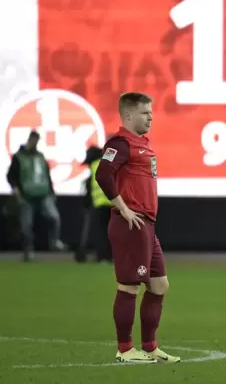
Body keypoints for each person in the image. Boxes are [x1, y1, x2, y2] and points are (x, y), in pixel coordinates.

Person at [95, 92, 180, 364]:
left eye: (151, 112)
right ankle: (125, 349)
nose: (151, 117)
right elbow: (103, 173)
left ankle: (151, 346)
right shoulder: (121, 144)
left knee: (159, 285)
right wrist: (123, 207)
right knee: (129, 287)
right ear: (129, 116)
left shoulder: (142, 145)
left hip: (147, 226)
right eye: (145, 113)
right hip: (131, 223)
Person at [6, 130, 66, 261]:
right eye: (34, 140)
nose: (35, 143)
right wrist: (16, 190)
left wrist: (51, 190)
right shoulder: (18, 157)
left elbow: (46, 174)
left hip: (43, 194)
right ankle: (28, 251)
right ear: (29, 140)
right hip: (26, 196)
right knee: (26, 226)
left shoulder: (40, 156)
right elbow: (11, 176)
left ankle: (54, 241)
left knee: (54, 217)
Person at [75, 146, 114, 263]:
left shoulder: (94, 166)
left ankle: (102, 257)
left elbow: (90, 190)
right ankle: (111, 256)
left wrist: (86, 204)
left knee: (101, 233)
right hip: (114, 204)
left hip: (100, 204)